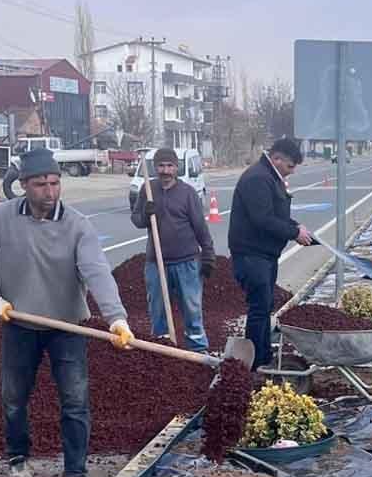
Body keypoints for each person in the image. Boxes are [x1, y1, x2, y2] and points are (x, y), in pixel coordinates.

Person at [0, 148, 134, 477]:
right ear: (24, 185)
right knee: (14, 398)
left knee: (75, 400)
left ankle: (76, 475)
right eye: (41, 184)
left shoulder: (77, 225)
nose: (50, 191)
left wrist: (116, 318)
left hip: (68, 326)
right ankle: (18, 459)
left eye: (55, 183)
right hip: (20, 322)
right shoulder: (3, 217)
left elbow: (96, 272)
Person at [228, 138, 313, 369]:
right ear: (276, 159)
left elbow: (275, 214)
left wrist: (297, 227)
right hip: (251, 255)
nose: (292, 172)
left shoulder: (270, 177)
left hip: (264, 255)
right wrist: (293, 232)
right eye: (290, 166)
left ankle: (263, 356)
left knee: (265, 307)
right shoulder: (257, 178)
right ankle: (255, 364)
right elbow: (262, 218)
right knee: (259, 308)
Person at [131, 148, 216, 352]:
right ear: (155, 167)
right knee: (157, 310)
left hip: (187, 262)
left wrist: (208, 256)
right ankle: (162, 350)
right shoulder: (147, 189)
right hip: (156, 263)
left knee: (192, 309)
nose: (165, 170)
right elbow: (136, 219)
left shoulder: (187, 193)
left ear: (176, 168)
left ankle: (198, 350)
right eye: (161, 165)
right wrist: (145, 213)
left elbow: (200, 228)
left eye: (170, 166)